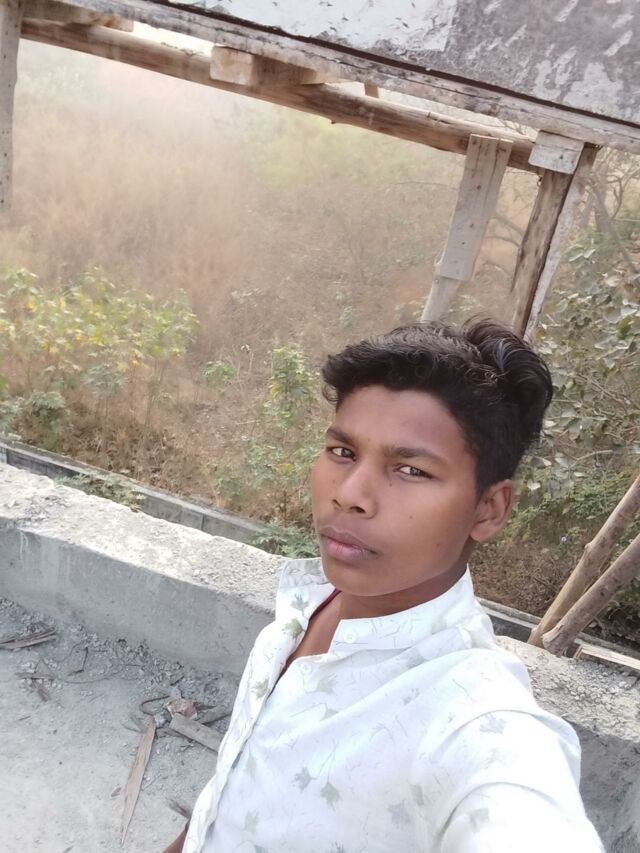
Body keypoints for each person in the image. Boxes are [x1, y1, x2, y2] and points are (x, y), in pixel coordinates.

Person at [163, 318, 604, 853]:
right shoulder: (312, 601)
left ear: (488, 509)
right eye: (343, 453)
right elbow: (233, 784)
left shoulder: (475, 719)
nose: (350, 494)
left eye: (411, 470)